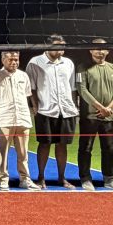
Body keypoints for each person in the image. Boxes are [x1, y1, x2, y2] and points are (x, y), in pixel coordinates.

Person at [25, 35, 79, 189]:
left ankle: (62, 178)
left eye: (63, 46)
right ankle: (41, 178)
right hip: (46, 110)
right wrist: (35, 107)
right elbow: (31, 88)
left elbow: (72, 87)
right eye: (57, 46)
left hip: (66, 110)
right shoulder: (35, 62)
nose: (61, 49)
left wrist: (75, 107)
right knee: (44, 144)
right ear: (48, 46)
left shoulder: (68, 63)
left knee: (62, 145)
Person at [0, 51, 41, 191]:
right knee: (3, 152)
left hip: (22, 118)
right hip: (5, 118)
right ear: (3, 60)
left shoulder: (23, 76)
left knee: (23, 153)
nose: (14, 62)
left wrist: (33, 109)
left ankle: (25, 179)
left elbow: (27, 95)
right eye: (10, 60)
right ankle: (3, 179)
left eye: (16, 59)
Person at [76, 38, 113, 190]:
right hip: (89, 117)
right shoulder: (82, 68)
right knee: (86, 148)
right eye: (96, 48)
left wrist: (108, 108)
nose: (99, 51)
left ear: (107, 51)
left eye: (102, 49)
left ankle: (109, 178)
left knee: (109, 149)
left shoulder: (112, 68)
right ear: (91, 50)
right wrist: (100, 107)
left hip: (109, 116)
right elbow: (82, 90)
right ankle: (85, 178)